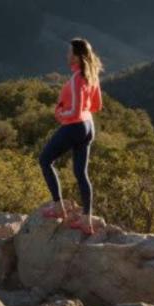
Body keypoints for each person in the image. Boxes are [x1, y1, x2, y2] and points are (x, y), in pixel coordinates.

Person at [38, 38, 103, 235]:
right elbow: (97, 106)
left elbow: (73, 111)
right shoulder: (92, 76)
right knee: (81, 174)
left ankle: (58, 207)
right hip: (89, 126)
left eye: (69, 53)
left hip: (75, 126)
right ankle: (86, 220)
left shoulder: (76, 79)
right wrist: (81, 111)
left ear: (76, 56)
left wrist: (59, 114)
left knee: (45, 160)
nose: (67, 56)